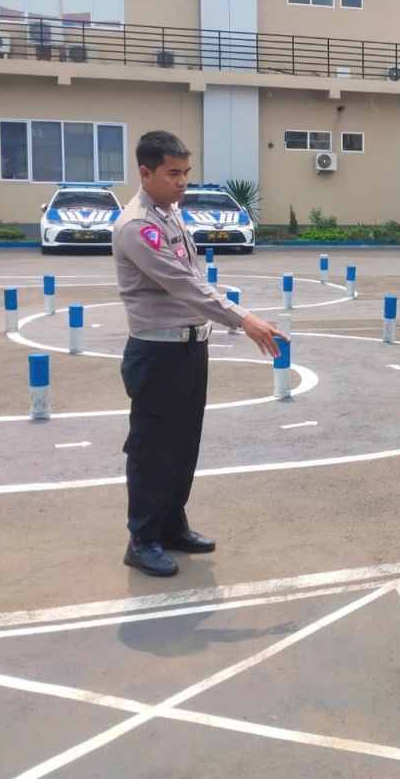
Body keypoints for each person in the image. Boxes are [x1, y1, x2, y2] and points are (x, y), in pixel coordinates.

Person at [113, 130, 287, 578]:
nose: (182, 182)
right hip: (157, 353)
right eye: (173, 173)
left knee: (183, 443)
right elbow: (186, 285)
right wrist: (243, 319)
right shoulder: (138, 225)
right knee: (152, 449)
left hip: (191, 348)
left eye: (186, 173)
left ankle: (172, 525)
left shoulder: (171, 216)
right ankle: (143, 538)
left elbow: (195, 281)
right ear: (145, 172)